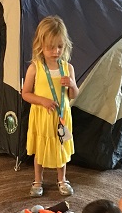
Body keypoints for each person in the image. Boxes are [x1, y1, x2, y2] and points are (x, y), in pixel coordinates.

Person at [22, 16, 79, 198]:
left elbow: (73, 95)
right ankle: (38, 180)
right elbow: (25, 94)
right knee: (40, 148)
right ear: (40, 45)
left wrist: (72, 85)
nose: (56, 51)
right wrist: (42, 100)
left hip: (61, 117)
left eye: (60, 47)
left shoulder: (67, 68)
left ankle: (62, 179)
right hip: (42, 117)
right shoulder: (35, 68)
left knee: (61, 148)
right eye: (50, 47)